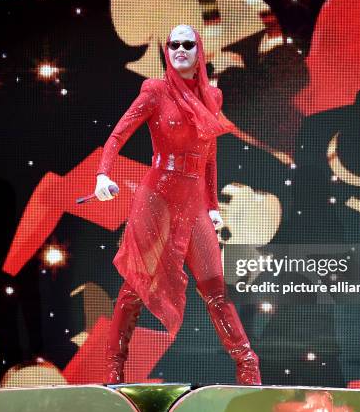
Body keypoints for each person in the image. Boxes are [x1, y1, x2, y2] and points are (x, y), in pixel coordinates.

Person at [95, 24, 261, 385]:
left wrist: (213, 204)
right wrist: (103, 174)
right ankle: (113, 370)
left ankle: (249, 367)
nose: (180, 49)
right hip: (157, 198)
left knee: (215, 288)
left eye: (188, 44)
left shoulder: (212, 97)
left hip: (194, 202)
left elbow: (210, 154)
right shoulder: (155, 90)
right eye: (173, 44)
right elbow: (118, 134)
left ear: (199, 51)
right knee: (135, 285)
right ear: (166, 51)